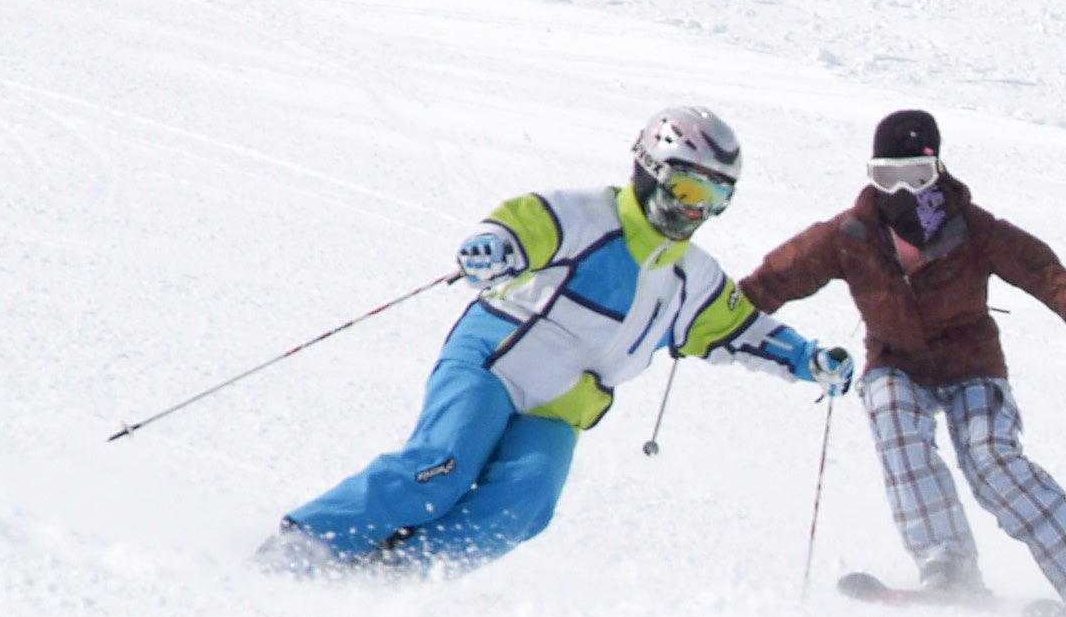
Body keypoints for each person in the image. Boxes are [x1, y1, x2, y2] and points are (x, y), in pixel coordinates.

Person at [265, 107, 847, 571]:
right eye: (690, 191)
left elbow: (736, 329)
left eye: (717, 200)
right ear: (650, 167)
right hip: (494, 364)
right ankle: (303, 547)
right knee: (441, 467)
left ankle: (392, 579)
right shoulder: (587, 216)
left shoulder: (691, 276)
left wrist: (806, 359)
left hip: (560, 405)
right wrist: (491, 247)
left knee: (524, 505)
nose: (697, 212)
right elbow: (519, 225)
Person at [738, 108, 1066, 615]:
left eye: (913, 177)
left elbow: (1037, 266)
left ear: (936, 169)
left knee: (992, 460)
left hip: (972, 365)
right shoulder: (851, 235)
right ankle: (949, 563)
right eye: (886, 177)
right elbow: (781, 275)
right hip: (897, 363)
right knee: (894, 421)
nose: (900, 192)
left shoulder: (973, 229)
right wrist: (723, 316)